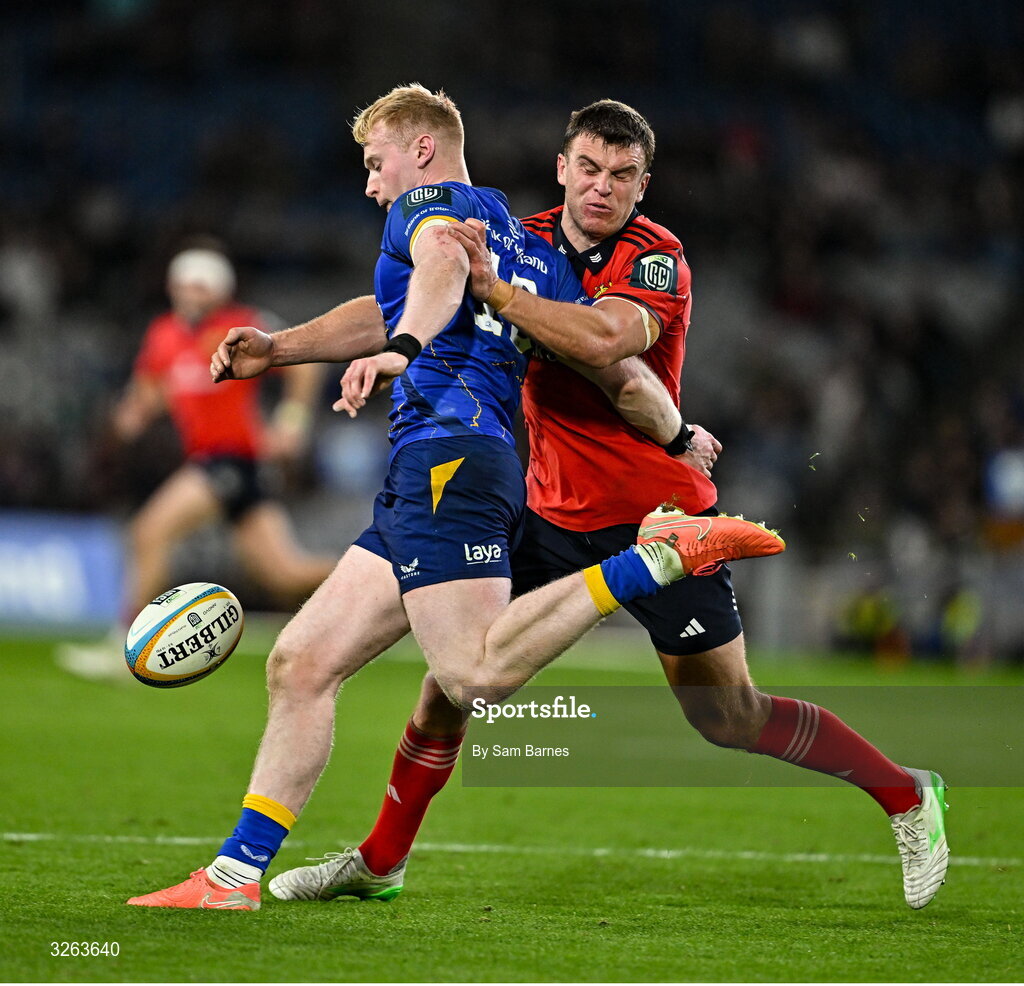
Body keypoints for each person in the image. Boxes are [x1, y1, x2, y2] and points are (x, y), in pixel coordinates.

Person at [265, 100, 949, 911]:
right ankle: (381, 861)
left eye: (622, 177)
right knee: (450, 684)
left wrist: (497, 294)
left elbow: (604, 342)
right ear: (562, 168)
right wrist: (281, 349)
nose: (602, 188)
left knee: (729, 715)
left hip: (658, 518)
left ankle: (907, 794)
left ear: (642, 186)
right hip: (547, 513)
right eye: (588, 169)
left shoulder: (656, 258)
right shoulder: (517, 236)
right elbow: (405, 297)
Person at [126, 85, 782, 911]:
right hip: (430, 473)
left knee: (469, 678)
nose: (371, 184)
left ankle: (647, 562)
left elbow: (430, 272)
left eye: (376, 163)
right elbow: (618, 375)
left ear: (422, 149)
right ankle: (233, 878)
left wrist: (405, 347)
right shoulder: (523, 247)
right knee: (301, 662)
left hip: (452, 462)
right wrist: (679, 433)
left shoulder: (432, 207)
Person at [58, 246, 335, 681]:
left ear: (220, 291)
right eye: (184, 285)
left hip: (233, 459)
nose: (190, 294)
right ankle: (387, 578)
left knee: (149, 531)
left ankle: (123, 648)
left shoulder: (238, 325)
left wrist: (292, 421)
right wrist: (133, 413)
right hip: (215, 461)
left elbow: (306, 368)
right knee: (285, 574)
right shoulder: (165, 333)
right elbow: (152, 388)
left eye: (200, 286)